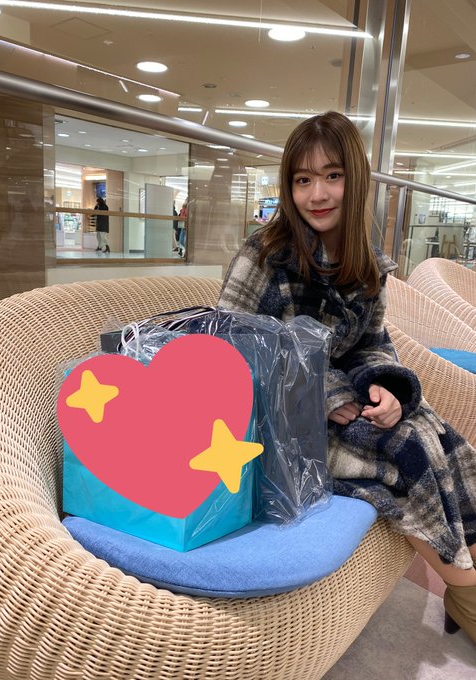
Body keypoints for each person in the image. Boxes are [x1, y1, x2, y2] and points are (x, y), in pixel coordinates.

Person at [218, 111, 476, 645]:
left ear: (354, 180)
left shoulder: (366, 265)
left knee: (440, 435)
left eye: (332, 176)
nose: (317, 194)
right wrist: (327, 391)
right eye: (303, 179)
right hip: (274, 423)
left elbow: (372, 344)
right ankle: (466, 591)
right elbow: (231, 348)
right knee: (406, 450)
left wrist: (385, 388)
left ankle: (468, 581)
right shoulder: (264, 255)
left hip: (343, 410)